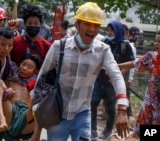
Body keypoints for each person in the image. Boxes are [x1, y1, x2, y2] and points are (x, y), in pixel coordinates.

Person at [30, 2, 130, 141]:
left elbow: (116, 76)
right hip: (58, 115)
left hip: (83, 114)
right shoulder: (59, 47)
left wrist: (122, 108)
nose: (92, 29)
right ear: (77, 25)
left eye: (96, 25)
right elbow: (41, 82)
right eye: (88, 24)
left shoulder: (103, 50)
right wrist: (37, 130)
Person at [91, 20, 135, 140]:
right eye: (108, 30)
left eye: (112, 31)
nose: (109, 33)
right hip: (99, 80)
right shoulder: (104, 43)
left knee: (110, 109)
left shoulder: (125, 46)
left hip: (113, 84)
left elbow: (130, 65)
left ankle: (107, 131)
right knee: (92, 103)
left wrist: (117, 75)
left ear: (118, 31)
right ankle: (93, 130)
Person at [118, 30, 160, 139]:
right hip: (150, 101)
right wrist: (116, 66)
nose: (156, 44)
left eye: (159, 42)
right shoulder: (152, 57)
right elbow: (134, 63)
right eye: (155, 41)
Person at [0, 54, 41, 140]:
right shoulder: (10, 76)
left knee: (38, 104)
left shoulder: (37, 83)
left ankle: (36, 134)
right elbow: (4, 58)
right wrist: (6, 93)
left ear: (35, 71)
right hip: (9, 114)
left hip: (28, 116)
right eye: (23, 64)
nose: (24, 68)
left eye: (29, 67)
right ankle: (1, 118)